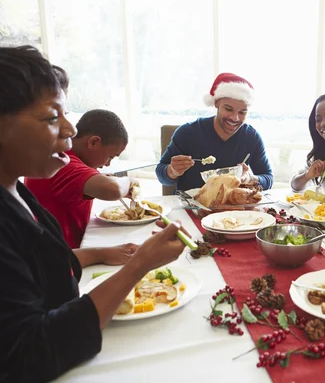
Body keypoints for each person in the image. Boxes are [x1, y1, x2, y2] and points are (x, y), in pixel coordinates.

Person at [0, 45, 186, 381]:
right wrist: (141, 264)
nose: (71, 130)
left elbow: (47, 266)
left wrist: (105, 253)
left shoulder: (16, 191)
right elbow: (32, 354)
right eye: (52, 117)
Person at [25, 109, 139, 254]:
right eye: (110, 157)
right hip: (59, 258)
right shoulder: (62, 163)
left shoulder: (61, 156)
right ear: (93, 142)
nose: (108, 164)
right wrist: (129, 181)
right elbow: (113, 190)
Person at [156, 73, 273, 192]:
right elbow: (162, 175)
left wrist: (252, 178)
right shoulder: (188, 133)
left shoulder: (251, 137)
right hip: (191, 206)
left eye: (242, 112)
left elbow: (268, 178)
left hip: (233, 206)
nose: (235, 118)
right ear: (216, 103)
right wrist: (172, 171)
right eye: (228, 109)